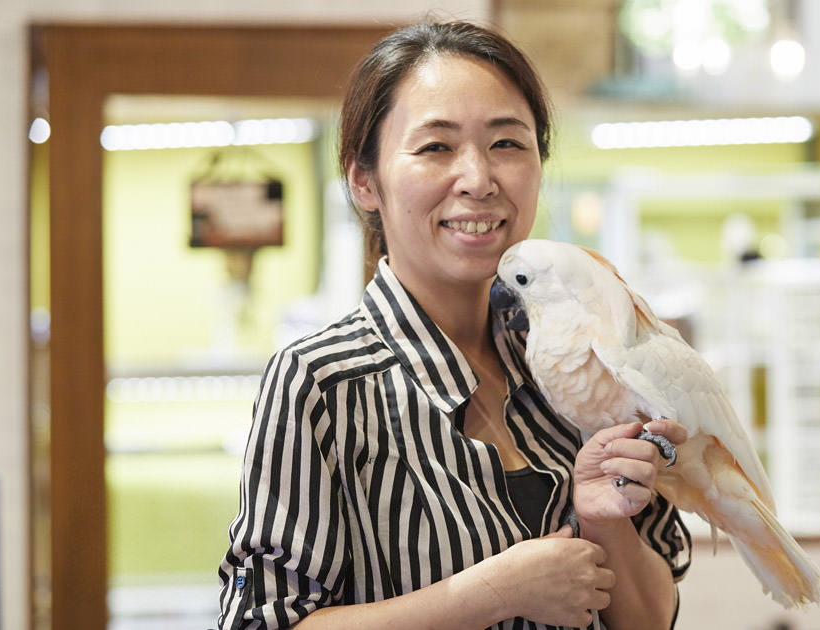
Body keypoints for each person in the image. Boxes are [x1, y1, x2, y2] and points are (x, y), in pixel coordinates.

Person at [215, 20, 692, 630]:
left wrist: (601, 520)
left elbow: (649, 620)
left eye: (507, 144)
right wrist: (494, 591)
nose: (479, 179)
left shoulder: (582, 359)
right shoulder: (322, 382)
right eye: (436, 147)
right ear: (365, 180)